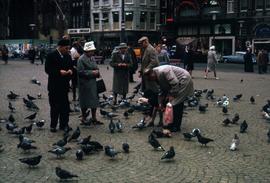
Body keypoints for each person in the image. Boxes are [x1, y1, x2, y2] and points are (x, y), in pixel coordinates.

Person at [144, 65, 194, 132]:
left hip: (183, 80)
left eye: (151, 78)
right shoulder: (155, 74)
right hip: (179, 82)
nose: (152, 80)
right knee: (175, 103)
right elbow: (162, 89)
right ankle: (173, 124)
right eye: (150, 79)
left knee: (175, 103)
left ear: (152, 74)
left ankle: (176, 126)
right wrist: (160, 102)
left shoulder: (164, 71)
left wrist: (172, 94)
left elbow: (175, 83)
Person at [45, 39, 73, 133]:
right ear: (60, 47)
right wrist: (59, 72)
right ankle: (53, 125)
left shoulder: (68, 56)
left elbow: (71, 67)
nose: (67, 49)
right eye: (66, 48)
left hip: (64, 86)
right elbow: (48, 69)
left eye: (68, 48)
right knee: (55, 106)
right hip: (54, 86)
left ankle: (64, 124)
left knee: (65, 107)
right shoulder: (51, 56)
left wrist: (70, 71)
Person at [77, 41, 103, 125]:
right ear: (87, 51)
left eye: (93, 50)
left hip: (92, 83)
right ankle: (84, 118)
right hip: (84, 83)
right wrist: (92, 73)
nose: (93, 52)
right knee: (84, 101)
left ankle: (94, 117)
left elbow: (96, 67)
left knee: (94, 101)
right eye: (91, 50)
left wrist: (97, 72)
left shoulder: (92, 58)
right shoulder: (81, 59)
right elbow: (80, 72)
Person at [138, 36, 159, 125]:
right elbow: (144, 62)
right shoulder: (145, 49)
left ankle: (151, 109)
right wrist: (140, 71)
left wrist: (147, 69)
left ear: (146, 41)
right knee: (147, 93)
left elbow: (155, 61)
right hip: (146, 76)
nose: (141, 45)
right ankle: (148, 109)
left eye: (142, 43)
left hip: (150, 76)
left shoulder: (151, 49)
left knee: (152, 93)